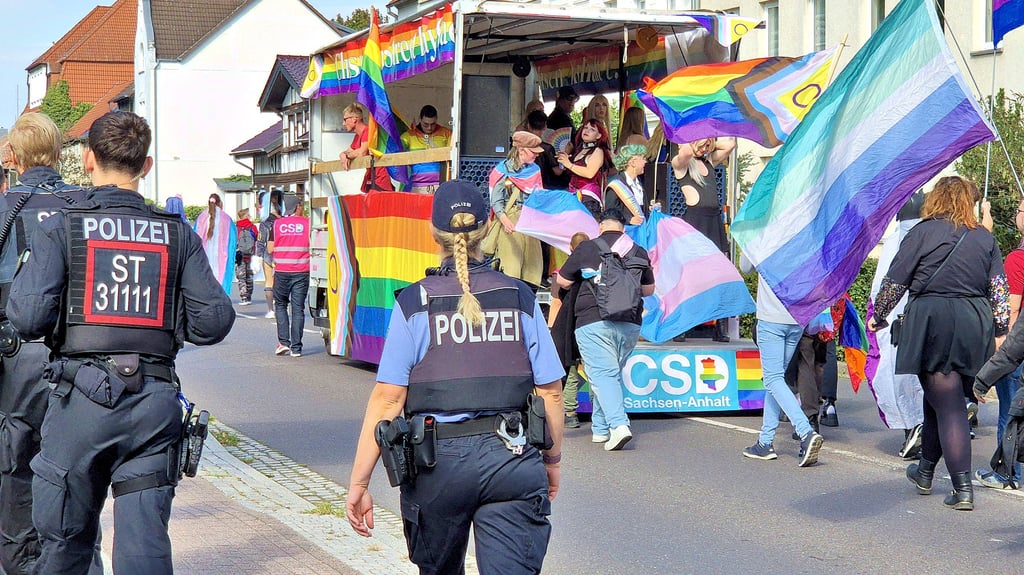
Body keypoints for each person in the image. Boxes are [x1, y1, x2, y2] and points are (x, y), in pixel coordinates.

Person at [7, 110, 235, 573]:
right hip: (152, 407)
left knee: (66, 546)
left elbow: (28, 317)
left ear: (88, 160)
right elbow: (213, 321)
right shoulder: (174, 231)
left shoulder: (64, 227)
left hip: (79, 409)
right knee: (144, 549)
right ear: (145, 165)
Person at [345, 180, 564, 575]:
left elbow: (387, 401)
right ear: (488, 225)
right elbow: (550, 392)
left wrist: (359, 483)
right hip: (511, 459)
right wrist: (551, 461)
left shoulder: (414, 303)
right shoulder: (519, 296)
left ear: (433, 232)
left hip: (437, 466)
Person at [867, 176, 1009, 511]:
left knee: (948, 405)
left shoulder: (921, 232)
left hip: (932, 320)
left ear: (936, 199)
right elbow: (999, 290)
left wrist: (880, 314)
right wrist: (1001, 329)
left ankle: (962, 489)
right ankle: (925, 472)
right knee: (940, 399)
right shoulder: (983, 238)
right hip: (974, 323)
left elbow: (895, 278)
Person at [0, 112, 89, 575]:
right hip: (81, 356)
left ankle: (21, 564)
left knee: (15, 466)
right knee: (77, 467)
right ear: (59, 154)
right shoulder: (87, 205)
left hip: (16, 357)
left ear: (12, 156)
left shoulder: (5, 208)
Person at [556, 208, 655, 451]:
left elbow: (563, 281)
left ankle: (619, 425)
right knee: (609, 373)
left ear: (600, 226)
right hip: (630, 322)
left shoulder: (588, 248)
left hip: (594, 319)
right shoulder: (637, 250)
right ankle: (600, 429)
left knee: (602, 374)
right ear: (623, 227)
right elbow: (649, 289)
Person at [739, 252, 825, 467]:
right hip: (796, 318)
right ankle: (765, 441)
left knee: (773, 379)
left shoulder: (763, 235)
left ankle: (805, 432)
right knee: (776, 381)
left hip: (771, 318)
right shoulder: (799, 234)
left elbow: (745, 266)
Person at [974, 197, 1024, 490]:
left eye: (1019, 210)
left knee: (1011, 409)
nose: (1016, 214)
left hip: (1017, 347)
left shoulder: (1017, 259)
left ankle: (1007, 473)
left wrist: (1000, 341)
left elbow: (1012, 309)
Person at [671, 136, 736, 342]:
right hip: (695, 221)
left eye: (709, 144)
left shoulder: (708, 161)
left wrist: (709, 140)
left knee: (717, 275)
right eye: (703, 144)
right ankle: (682, 324)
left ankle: (719, 325)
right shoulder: (680, 164)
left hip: (713, 222)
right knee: (690, 275)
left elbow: (731, 144)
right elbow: (687, 153)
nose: (706, 148)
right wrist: (696, 136)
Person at [486, 131, 546, 286]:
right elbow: (497, 201)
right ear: (521, 150)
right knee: (511, 268)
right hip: (510, 222)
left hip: (530, 222)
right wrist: (505, 221)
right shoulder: (502, 171)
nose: (536, 155)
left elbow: (539, 197)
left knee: (533, 268)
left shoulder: (535, 170)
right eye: (533, 152)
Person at [549, 231, 590, 429]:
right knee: (596, 371)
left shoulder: (562, 274)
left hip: (567, 328)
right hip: (590, 324)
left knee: (571, 371)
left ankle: (570, 413)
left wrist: (551, 329)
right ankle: (601, 414)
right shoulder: (595, 272)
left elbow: (556, 303)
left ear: (571, 249)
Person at [269, 196, 310, 357]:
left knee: (280, 306)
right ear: (297, 207)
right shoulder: (308, 223)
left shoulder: (277, 224)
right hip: (301, 271)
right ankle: (297, 348)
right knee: (298, 309)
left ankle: (283, 343)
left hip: (282, 271)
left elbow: (270, 248)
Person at [556, 118, 612, 219]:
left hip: (588, 197)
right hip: (574, 195)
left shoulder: (598, 151)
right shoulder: (579, 150)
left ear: (599, 136)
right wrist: (565, 157)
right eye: (585, 128)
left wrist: (569, 164)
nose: (587, 131)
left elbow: (590, 173)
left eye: (592, 129)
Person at [339, 102, 394, 193]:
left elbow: (362, 153)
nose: (343, 123)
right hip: (371, 177)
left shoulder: (368, 131)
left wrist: (347, 156)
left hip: (379, 179)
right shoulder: (358, 136)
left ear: (354, 119)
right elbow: (348, 151)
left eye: (345, 119)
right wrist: (342, 154)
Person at [400, 105, 452, 194]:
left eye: (433, 124)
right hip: (416, 187)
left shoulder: (446, 134)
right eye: (425, 124)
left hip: (441, 185)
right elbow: (395, 148)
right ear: (420, 119)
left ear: (437, 119)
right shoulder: (408, 136)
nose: (429, 128)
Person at [194, 192, 236, 295]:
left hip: (204, 258)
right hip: (222, 259)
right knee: (221, 280)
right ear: (220, 203)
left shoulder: (201, 218)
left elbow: (194, 238)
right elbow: (233, 240)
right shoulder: (226, 219)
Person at [603, 144, 649, 224]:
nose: (646, 162)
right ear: (633, 162)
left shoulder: (639, 183)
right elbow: (610, 212)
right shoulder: (615, 185)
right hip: (626, 231)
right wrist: (629, 220)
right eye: (643, 158)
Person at [525, 110, 568, 190]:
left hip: (526, 186)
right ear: (545, 127)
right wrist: (564, 156)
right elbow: (558, 172)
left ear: (528, 125)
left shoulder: (521, 146)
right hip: (544, 188)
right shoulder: (547, 148)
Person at [257, 188, 284, 319]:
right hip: (284, 255)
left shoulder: (265, 222)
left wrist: (258, 257)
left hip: (268, 255)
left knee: (269, 282)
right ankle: (282, 306)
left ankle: (270, 310)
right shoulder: (285, 221)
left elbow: (261, 241)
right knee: (282, 281)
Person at [235, 207, 257, 305]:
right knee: (249, 276)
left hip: (240, 255)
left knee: (241, 276)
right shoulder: (252, 227)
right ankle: (249, 297)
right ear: (246, 216)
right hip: (250, 254)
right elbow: (256, 237)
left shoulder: (236, 227)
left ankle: (243, 297)